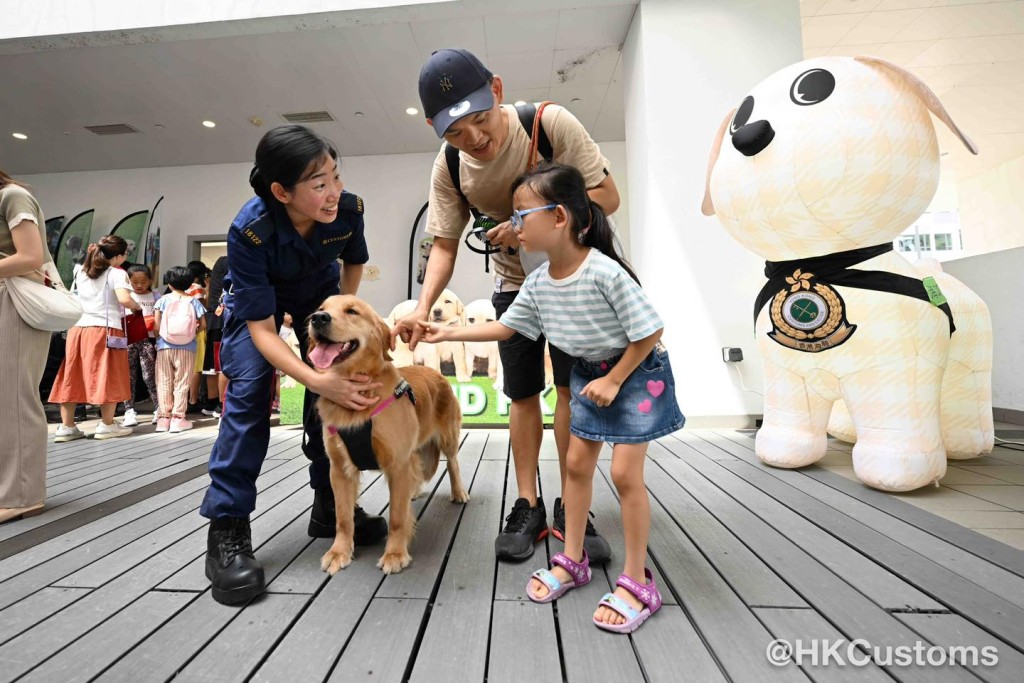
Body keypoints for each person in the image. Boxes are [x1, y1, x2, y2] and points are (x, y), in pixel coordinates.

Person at [420, 163, 684, 633]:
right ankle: (573, 558)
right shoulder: (539, 282)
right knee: (577, 468)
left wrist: (616, 378)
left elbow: (650, 331)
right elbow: (509, 326)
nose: (513, 225)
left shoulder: (603, 272)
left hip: (637, 374)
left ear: (559, 217)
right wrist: (446, 332)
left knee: (625, 475)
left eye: (521, 214)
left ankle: (637, 578)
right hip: (590, 376)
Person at [393, 48, 620, 563]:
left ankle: (571, 505)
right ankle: (527, 502)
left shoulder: (548, 124)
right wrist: (423, 309)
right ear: (434, 128)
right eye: (454, 132)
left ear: (496, 90)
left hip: (573, 283)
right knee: (520, 394)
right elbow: (445, 245)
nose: (472, 139)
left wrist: (529, 222)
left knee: (569, 392)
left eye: (478, 119)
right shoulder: (450, 165)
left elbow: (607, 197)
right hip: (517, 287)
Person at [202, 124, 387, 605]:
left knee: (334, 394)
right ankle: (227, 531)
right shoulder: (250, 231)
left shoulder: (348, 209)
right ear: (281, 192)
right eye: (319, 183)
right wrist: (316, 378)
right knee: (248, 390)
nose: (334, 193)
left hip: (317, 294)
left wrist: (341, 322)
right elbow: (264, 331)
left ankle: (330, 508)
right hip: (256, 307)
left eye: (335, 176)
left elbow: (352, 266)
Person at [49, 235, 140, 442]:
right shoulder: (117, 274)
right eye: (125, 254)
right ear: (117, 256)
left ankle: (67, 426)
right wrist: (136, 306)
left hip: (78, 329)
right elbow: (124, 300)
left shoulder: (80, 271)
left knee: (72, 373)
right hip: (106, 330)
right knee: (108, 373)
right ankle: (107, 425)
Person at [0, 170, 52, 522]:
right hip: (8, 296)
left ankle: (22, 494)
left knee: (15, 398)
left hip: (14, 301)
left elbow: (31, 256)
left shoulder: (11, 196)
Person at [153, 266, 207, 433]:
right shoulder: (194, 301)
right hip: (187, 347)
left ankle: (163, 419)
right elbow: (203, 325)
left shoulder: (162, 300)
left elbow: (156, 325)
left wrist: (159, 339)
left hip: (164, 346)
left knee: (163, 381)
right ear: (190, 283)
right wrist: (191, 334)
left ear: (169, 283)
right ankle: (178, 419)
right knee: (182, 382)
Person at [121, 264, 160, 427]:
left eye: (143, 281)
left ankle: (159, 408)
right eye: (135, 282)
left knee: (150, 375)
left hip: (149, 339)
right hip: (128, 340)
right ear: (128, 282)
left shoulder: (156, 296)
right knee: (128, 375)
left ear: (150, 280)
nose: (139, 285)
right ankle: (128, 410)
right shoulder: (126, 296)